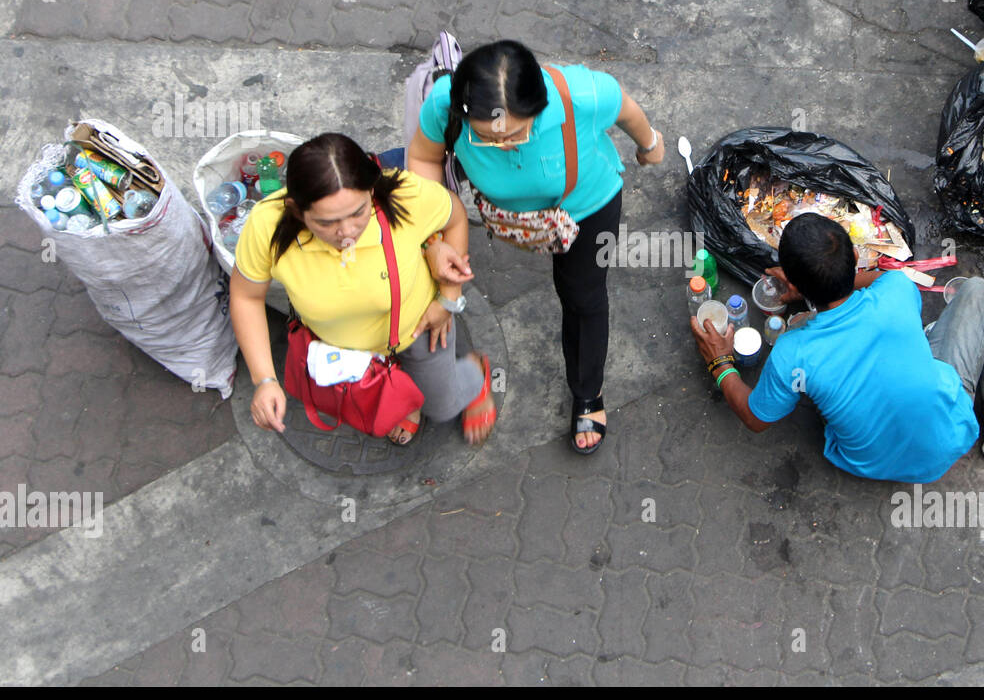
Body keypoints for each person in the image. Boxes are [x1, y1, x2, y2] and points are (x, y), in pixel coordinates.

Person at [406, 40, 665, 454]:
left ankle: (587, 393)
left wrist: (650, 147)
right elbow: (422, 157)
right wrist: (433, 235)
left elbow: (627, 111)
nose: (505, 146)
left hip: (585, 208)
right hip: (508, 216)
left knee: (583, 296)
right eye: (487, 139)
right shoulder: (446, 104)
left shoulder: (581, 94)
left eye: (515, 133)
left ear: (540, 107)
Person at [690, 213, 984, 482]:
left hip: (863, 460)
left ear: (796, 287)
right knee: (983, 293)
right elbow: (883, 277)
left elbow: (756, 419)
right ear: (852, 257)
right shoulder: (896, 291)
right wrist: (819, 280)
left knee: (814, 371)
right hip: (949, 437)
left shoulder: (791, 351)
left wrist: (720, 363)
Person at [230, 133, 497, 446]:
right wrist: (264, 379)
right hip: (347, 353)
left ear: (372, 190)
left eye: (358, 212)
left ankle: (474, 376)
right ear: (296, 210)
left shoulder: (403, 194)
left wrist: (449, 298)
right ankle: (405, 397)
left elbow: (454, 217)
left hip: (420, 328)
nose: (347, 231)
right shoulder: (267, 225)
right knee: (393, 400)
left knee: (443, 406)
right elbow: (246, 297)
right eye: (327, 222)